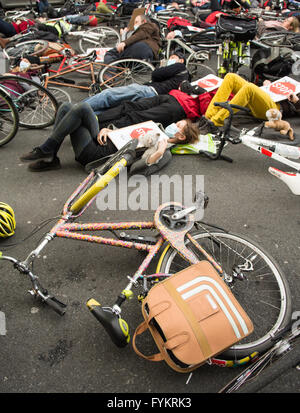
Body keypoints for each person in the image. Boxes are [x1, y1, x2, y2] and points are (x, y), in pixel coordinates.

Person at [19, 102, 200, 175]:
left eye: (178, 125)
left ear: (180, 135)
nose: (174, 124)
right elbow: (130, 131)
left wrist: (159, 151)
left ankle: (48, 149)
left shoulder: (165, 151)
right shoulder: (157, 127)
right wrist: (108, 129)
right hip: (105, 139)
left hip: (96, 154)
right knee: (67, 107)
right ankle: (51, 157)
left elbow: (138, 169)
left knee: (81, 108)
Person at [84, 52, 190, 115]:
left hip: (148, 91)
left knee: (108, 95)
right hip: (152, 99)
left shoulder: (180, 67)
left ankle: (75, 110)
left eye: (172, 58)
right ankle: (81, 116)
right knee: (111, 108)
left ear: (181, 60)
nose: (170, 60)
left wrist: (163, 67)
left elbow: (156, 74)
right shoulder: (184, 79)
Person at [198, 73, 300, 134]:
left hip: (276, 109)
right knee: (231, 77)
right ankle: (209, 116)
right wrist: (268, 83)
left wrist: (296, 102)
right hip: (268, 94)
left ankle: (216, 122)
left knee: (249, 88)